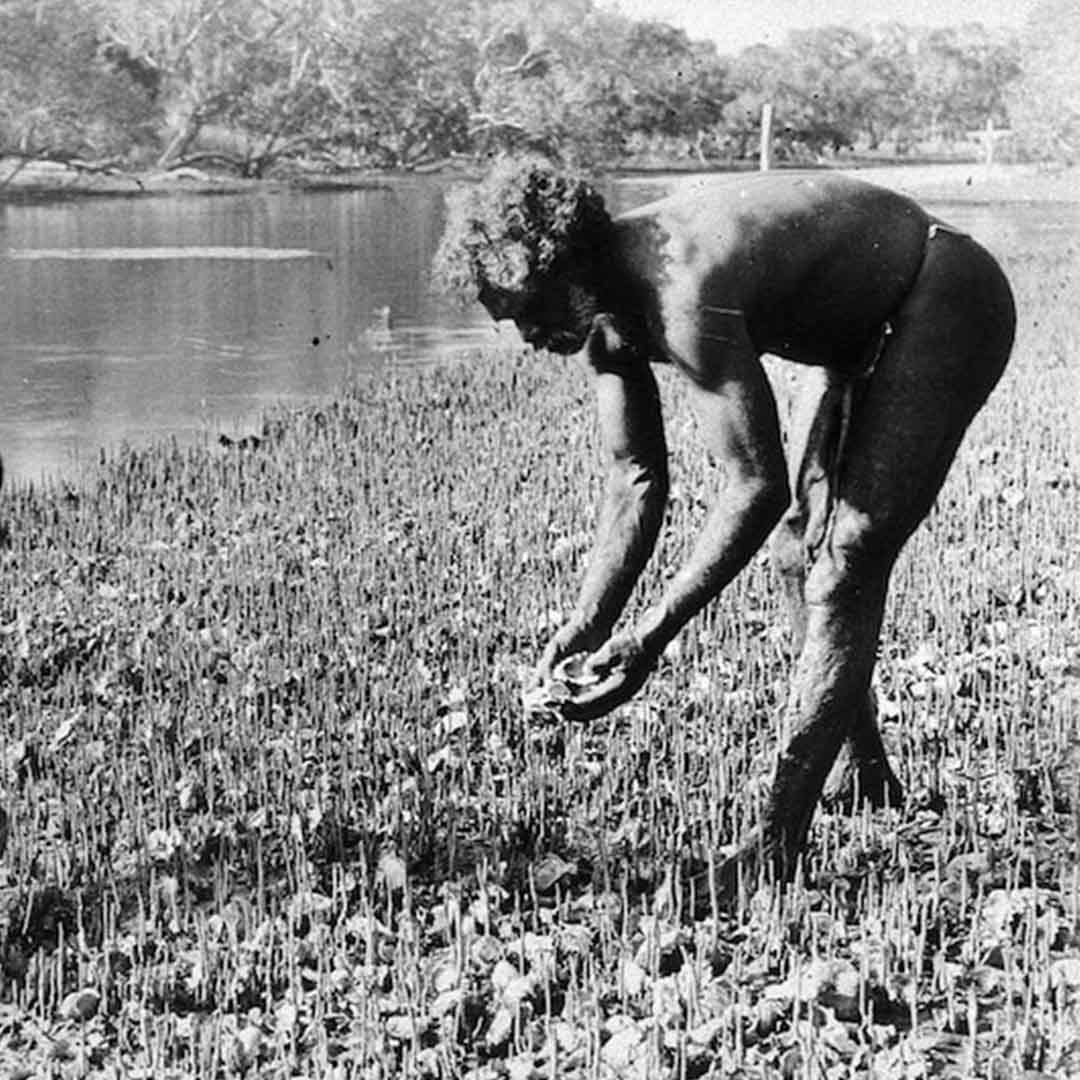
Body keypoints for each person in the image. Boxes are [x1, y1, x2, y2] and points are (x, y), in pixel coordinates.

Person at [435, 158, 1015, 892]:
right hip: (857, 328)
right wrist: (589, 622)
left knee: (844, 560)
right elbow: (635, 480)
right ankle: (864, 772)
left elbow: (755, 484)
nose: (524, 335)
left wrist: (649, 639)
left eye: (526, 310)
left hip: (943, 292)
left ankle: (776, 845)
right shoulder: (604, 318)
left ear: (563, 264)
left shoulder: (681, 286)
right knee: (793, 557)